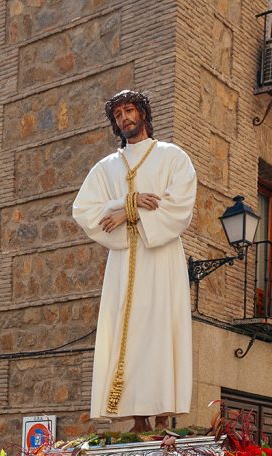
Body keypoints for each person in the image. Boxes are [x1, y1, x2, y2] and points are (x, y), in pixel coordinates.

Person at [72, 89, 196, 432]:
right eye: (118, 115)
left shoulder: (172, 157)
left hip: (161, 257)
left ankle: (161, 415)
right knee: (130, 331)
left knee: (160, 329)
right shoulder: (106, 167)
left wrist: (129, 214)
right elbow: (84, 210)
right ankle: (138, 418)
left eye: (129, 110)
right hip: (124, 262)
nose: (124, 118)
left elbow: (179, 204)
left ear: (142, 112)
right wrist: (130, 201)